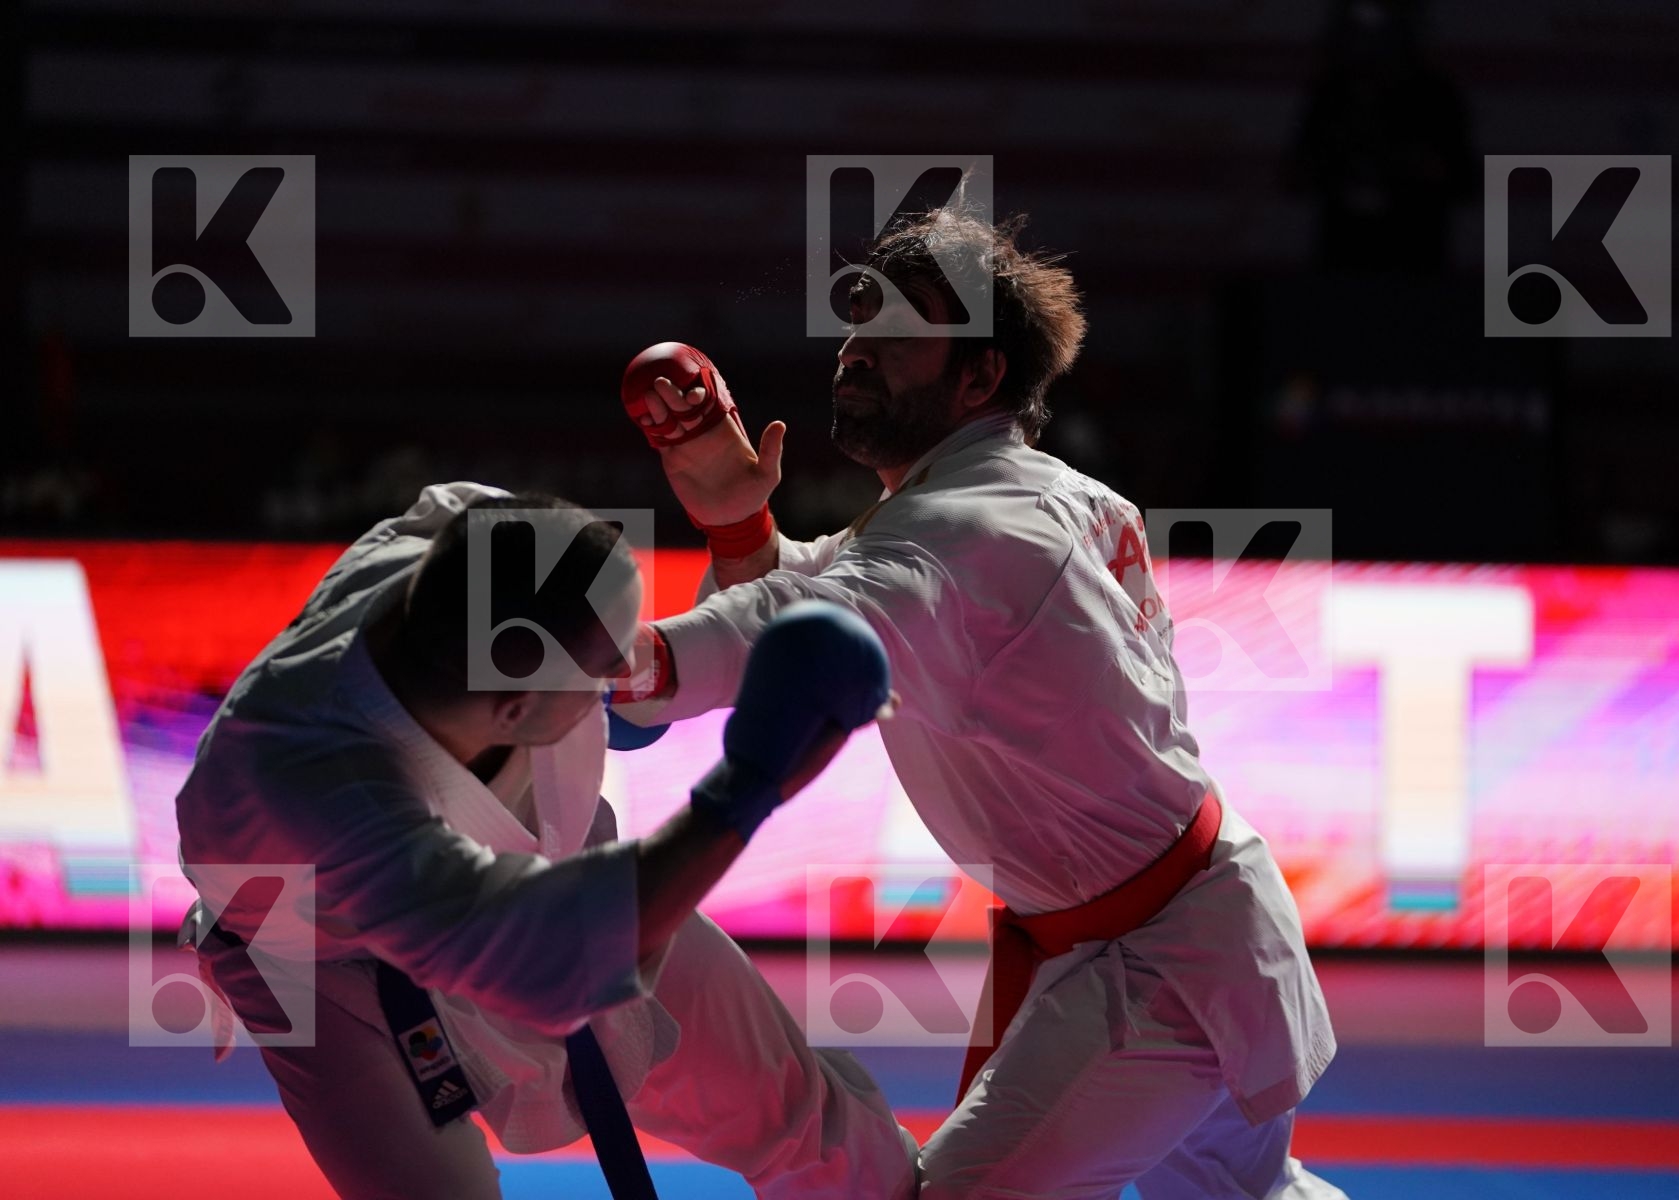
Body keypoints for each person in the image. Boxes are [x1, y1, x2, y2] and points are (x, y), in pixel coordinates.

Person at [618, 209, 1347, 1198]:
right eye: (856, 327)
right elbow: (830, 589)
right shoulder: (1036, 500)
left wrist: (601, 664)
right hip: (1189, 927)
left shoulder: (968, 530)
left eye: (895, 336)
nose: (857, 353)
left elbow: (802, 619)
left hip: (1162, 968)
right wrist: (738, 520)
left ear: (979, 376)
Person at [174, 483, 920, 1199]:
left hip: (524, 860)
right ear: (514, 709)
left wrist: (735, 542)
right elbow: (556, 963)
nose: (625, 671)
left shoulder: (463, 541)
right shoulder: (311, 788)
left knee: (794, 1111)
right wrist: (751, 785)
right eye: (603, 671)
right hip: (318, 959)